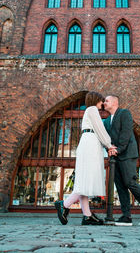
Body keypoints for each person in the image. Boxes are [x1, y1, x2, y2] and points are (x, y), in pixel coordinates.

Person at [55, 91, 115, 226]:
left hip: (88, 143)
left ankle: (87, 215)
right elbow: (100, 129)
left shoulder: (89, 111)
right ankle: (64, 204)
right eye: (101, 100)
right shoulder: (93, 109)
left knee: (85, 181)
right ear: (96, 100)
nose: (103, 103)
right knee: (87, 179)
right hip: (90, 144)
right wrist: (109, 144)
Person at [103, 95, 140, 226]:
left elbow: (126, 133)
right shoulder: (107, 120)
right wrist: (109, 149)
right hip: (115, 157)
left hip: (127, 154)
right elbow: (105, 138)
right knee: (120, 186)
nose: (104, 103)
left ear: (115, 103)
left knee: (129, 182)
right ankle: (126, 216)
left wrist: (118, 149)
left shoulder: (124, 113)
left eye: (106, 101)